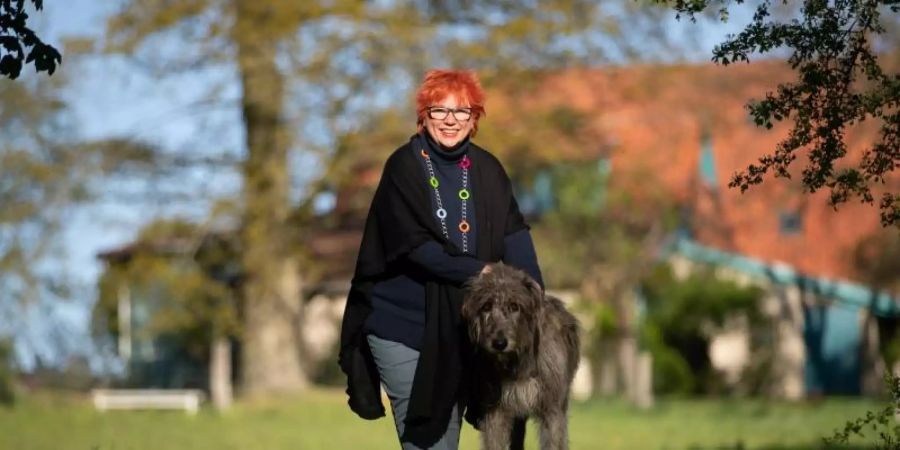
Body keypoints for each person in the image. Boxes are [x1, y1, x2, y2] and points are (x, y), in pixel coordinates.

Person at [339, 69, 544, 450]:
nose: (451, 120)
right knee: (434, 442)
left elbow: (514, 234)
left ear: (475, 117)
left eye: (462, 112)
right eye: (440, 111)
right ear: (424, 115)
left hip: (468, 328)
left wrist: (534, 293)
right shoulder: (403, 167)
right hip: (406, 327)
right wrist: (486, 272)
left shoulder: (488, 170)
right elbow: (417, 249)